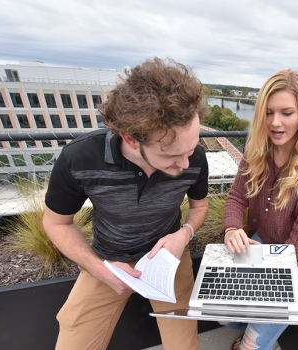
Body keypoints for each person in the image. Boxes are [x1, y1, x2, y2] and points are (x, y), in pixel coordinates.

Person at [43, 57, 210, 350]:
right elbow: (56, 222)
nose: (186, 163)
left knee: (184, 345)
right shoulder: (79, 158)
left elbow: (199, 207)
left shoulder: (193, 157)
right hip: (107, 260)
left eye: (191, 148)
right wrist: (97, 268)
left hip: (168, 259)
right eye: (171, 155)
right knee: (73, 340)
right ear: (131, 140)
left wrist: (183, 235)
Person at [221, 69, 298, 350]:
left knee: (252, 345)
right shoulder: (256, 153)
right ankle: (259, 327)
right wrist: (231, 228)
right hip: (265, 245)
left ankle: (255, 336)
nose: (275, 123)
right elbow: (236, 197)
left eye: (286, 113)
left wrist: (264, 294)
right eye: (268, 113)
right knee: (225, 314)